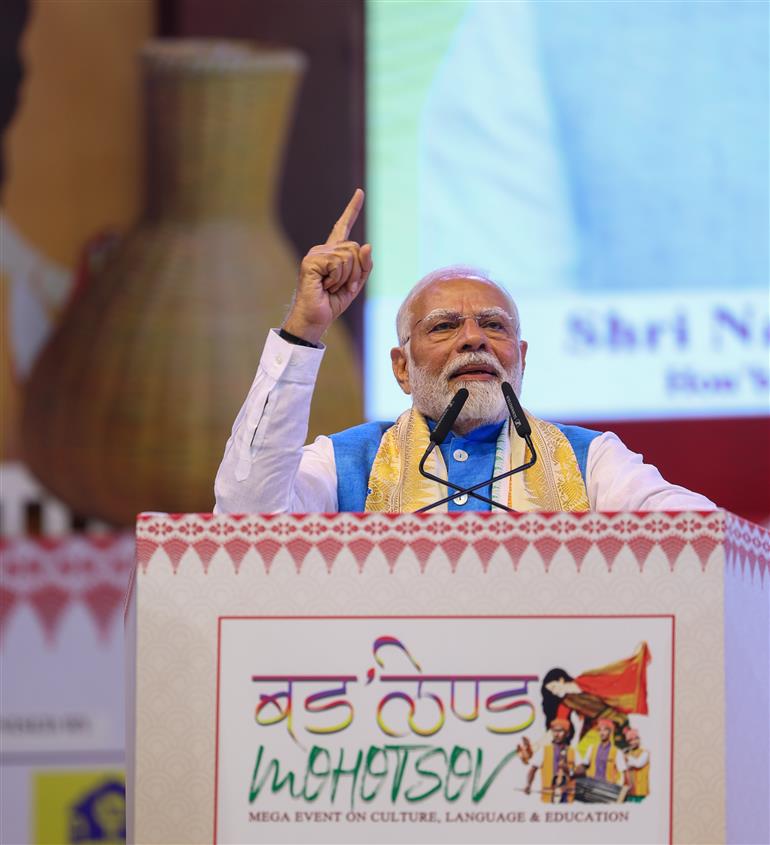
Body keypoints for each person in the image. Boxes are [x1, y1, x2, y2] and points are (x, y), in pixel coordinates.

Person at [214, 189, 717, 514]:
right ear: (401, 367)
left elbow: (698, 539)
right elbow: (243, 518)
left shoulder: (590, 462)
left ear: (521, 357)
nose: (473, 338)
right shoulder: (348, 463)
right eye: (444, 326)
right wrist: (305, 328)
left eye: (493, 325)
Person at [524, 717, 578, 803]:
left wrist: (567, 769)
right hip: (548, 797)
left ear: (567, 734)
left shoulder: (573, 752)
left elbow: (581, 773)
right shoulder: (544, 750)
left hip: (567, 799)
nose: (556, 734)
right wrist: (528, 785)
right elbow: (533, 769)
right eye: (554, 731)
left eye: (560, 731)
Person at [623, 727, 650, 802]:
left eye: (635, 739)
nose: (633, 742)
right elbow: (624, 766)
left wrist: (627, 757)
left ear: (639, 739)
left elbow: (638, 763)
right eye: (630, 740)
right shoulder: (628, 752)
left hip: (641, 789)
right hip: (630, 789)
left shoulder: (645, 752)